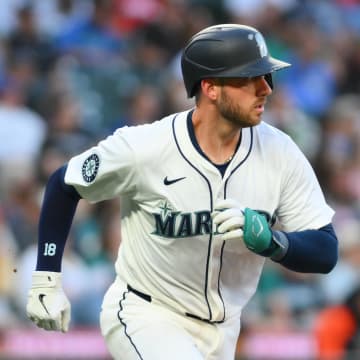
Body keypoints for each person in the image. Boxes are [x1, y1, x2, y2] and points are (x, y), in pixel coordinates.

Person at [26, 24, 338, 360]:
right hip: (147, 313)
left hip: (224, 328)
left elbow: (326, 250)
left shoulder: (280, 152)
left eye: (266, 77)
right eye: (249, 78)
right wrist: (47, 275)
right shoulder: (145, 147)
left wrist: (275, 243)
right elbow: (64, 182)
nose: (265, 89)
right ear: (210, 88)